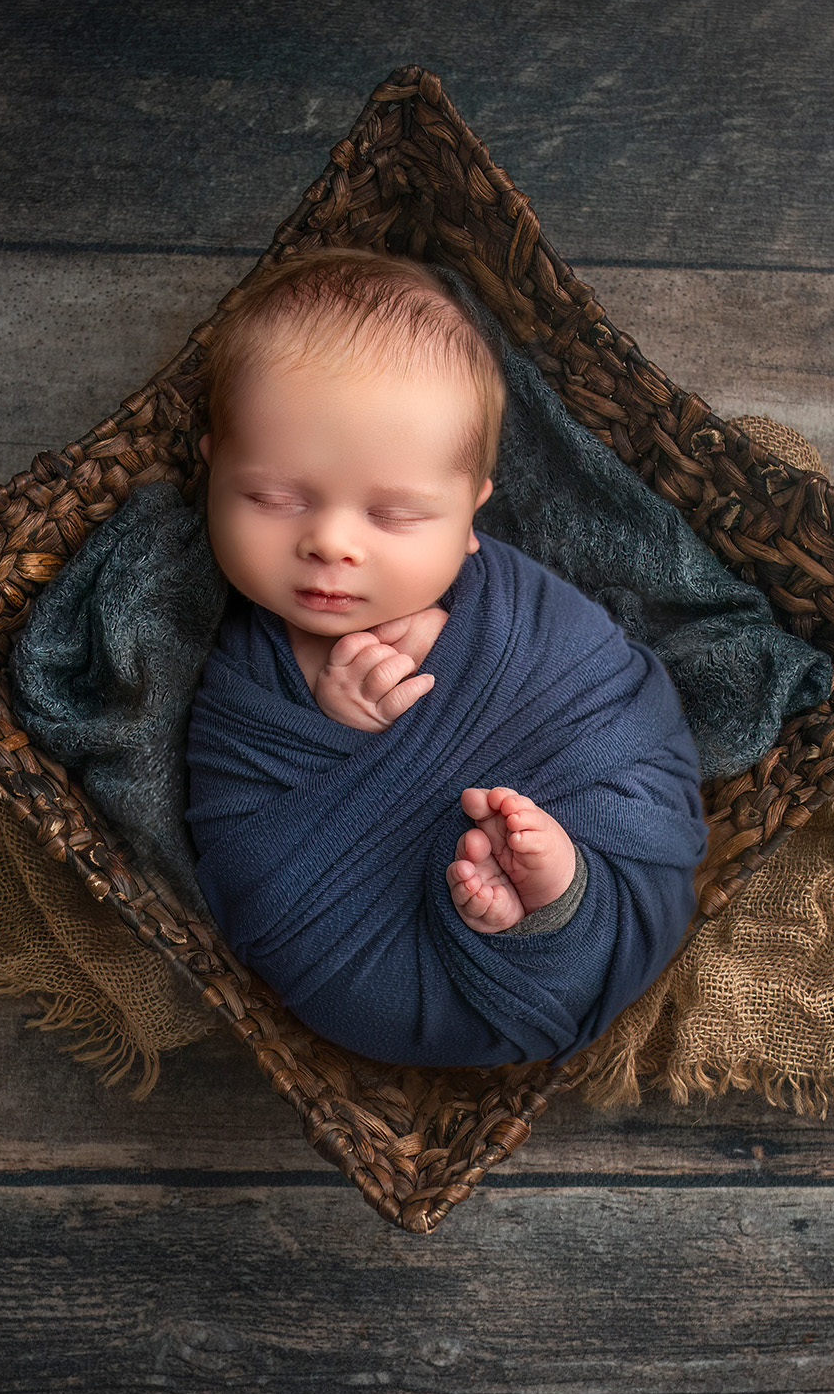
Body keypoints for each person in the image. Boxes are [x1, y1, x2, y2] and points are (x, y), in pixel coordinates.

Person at [183, 247, 710, 1067]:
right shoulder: (247, 668)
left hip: (583, 826)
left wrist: (480, 660)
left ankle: (556, 902)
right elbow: (240, 842)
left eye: (393, 515)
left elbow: (619, 708)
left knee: (596, 846)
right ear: (212, 467)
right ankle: (543, 916)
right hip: (359, 954)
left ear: (471, 519)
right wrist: (334, 724)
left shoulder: (512, 608)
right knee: (378, 965)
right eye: (276, 498)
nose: (329, 541)